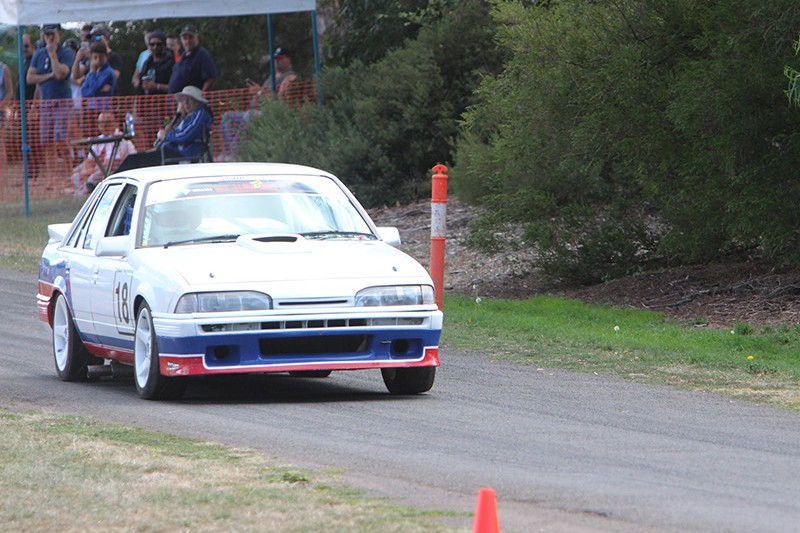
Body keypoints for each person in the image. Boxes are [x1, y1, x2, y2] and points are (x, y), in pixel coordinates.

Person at [219, 47, 296, 160]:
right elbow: (259, 97)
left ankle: (236, 150)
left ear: (289, 59)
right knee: (227, 116)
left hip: (272, 114)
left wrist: (260, 92)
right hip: (258, 110)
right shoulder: (272, 77)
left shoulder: (290, 76)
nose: (277, 61)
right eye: (276, 59)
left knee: (249, 115)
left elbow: (280, 98)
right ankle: (228, 154)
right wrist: (257, 93)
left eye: (281, 58)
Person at [116, 86, 212, 171]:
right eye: (183, 100)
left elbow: (184, 136)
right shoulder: (187, 117)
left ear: (197, 101)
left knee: (134, 161)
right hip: (170, 151)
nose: (185, 103)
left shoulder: (200, 114)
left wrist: (166, 136)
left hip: (182, 154)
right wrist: (177, 117)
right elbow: (176, 133)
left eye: (189, 100)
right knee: (133, 160)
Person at [27, 23, 74, 176]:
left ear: (58, 34)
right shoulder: (38, 55)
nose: (49, 37)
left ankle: (69, 175)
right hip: (45, 103)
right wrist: (48, 76)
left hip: (62, 101)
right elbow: (30, 78)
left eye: (52, 34)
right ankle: (53, 177)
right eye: (46, 34)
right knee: (46, 141)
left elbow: (61, 74)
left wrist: (52, 54)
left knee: (61, 138)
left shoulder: (66, 53)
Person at [69, 111, 136, 195]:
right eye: (100, 123)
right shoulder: (98, 139)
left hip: (118, 170)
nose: (103, 126)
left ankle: (84, 194)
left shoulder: (120, 139)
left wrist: (90, 172)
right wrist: (85, 171)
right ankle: (80, 192)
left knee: (93, 177)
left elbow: (112, 163)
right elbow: (90, 161)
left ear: (114, 123)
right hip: (99, 168)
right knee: (75, 174)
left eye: (107, 123)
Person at [167, 25, 217, 94]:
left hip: (190, 102)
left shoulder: (202, 54)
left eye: (191, 37)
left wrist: (201, 96)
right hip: (175, 101)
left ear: (197, 38)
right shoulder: (183, 56)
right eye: (185, 38)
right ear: (181, 40)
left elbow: (211, 78)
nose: (188, 41)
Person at [137, 30, 173, 95]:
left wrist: (157, 86)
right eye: (152, 44)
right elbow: (140, 84)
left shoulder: (171, 62)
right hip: (148, 101)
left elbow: (176, 87)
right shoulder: (147, 63)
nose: (155, 47)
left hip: (166, 101)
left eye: (159, 44)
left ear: (164, 45)